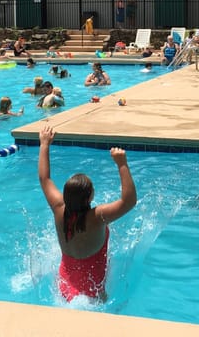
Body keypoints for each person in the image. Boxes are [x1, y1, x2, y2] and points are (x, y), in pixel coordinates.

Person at [37, 124, 137, 302]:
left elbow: (44, 179)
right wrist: (122, 164)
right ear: (90, 196)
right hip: (93, 293)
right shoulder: (98, 216)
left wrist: (44, 144)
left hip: (64, 286)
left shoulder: (58, 208)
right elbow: (129, 201)